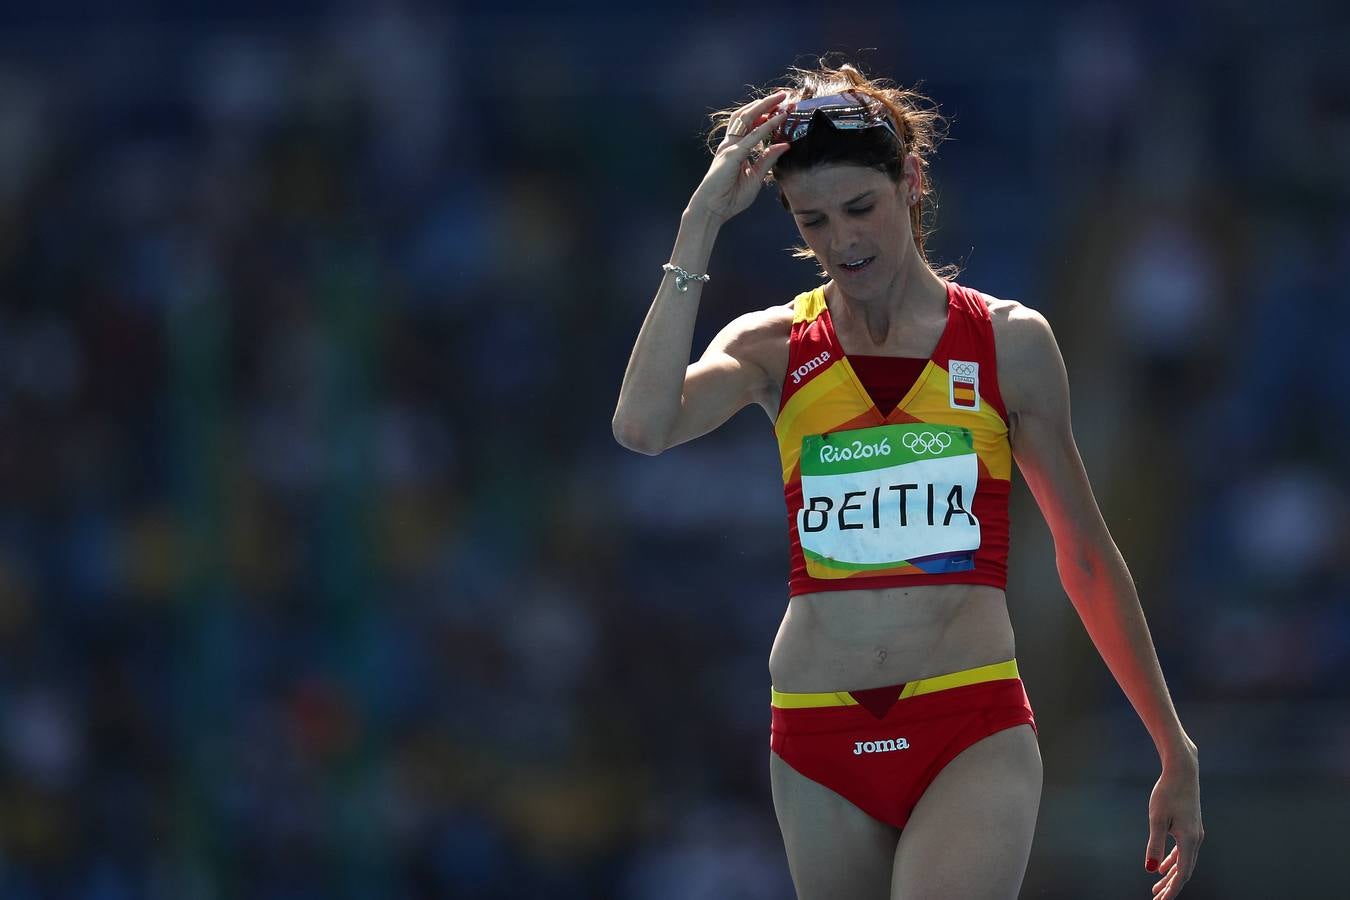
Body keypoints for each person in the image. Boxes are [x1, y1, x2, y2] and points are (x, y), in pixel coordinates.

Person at [612, 58, 1203, 900]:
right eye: (812, 220)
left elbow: (1086, 556)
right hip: (815, 735)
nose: (843, 241)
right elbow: (641, 426)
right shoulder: (772, 347)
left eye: (861, 208)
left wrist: (1171, 745)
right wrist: (700, 218)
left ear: (911, 182)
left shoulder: (1008, 342)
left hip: (967, 721)